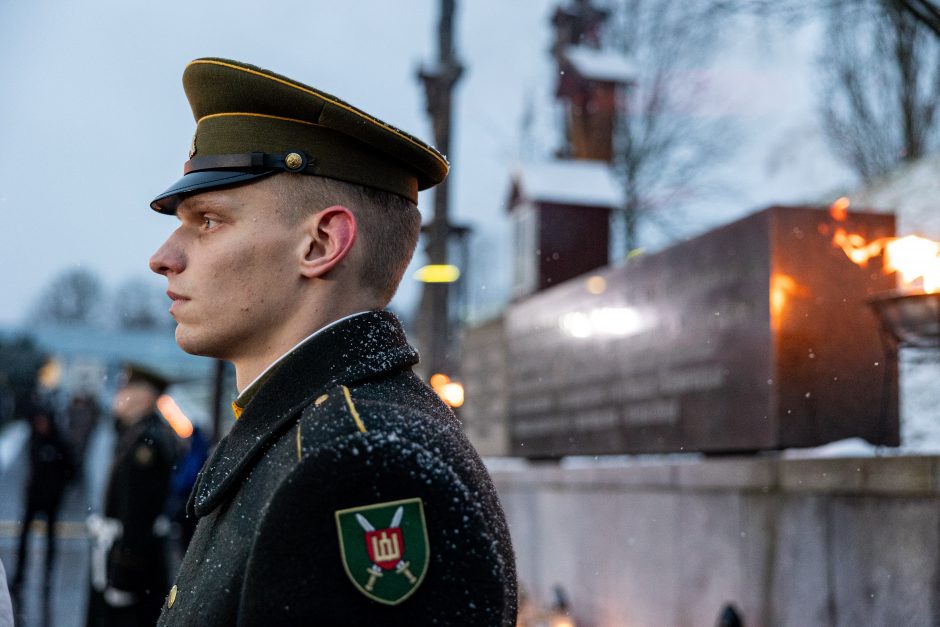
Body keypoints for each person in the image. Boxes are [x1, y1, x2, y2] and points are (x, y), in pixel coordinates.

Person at [147, 57, 517, 625]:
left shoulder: (363, 470)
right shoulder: (314, 435)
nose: (163, 258)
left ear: (321, 243)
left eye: (209, 220)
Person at [86, 365, 176, 627]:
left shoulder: (144, 442)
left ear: (145, 397)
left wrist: (124, 572)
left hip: (136, 565)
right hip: (127, 553)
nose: (119, 394)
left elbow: (137, 514)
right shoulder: (135, 433)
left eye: (127, 389)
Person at [11, 401, 74, 594]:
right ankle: (20, 576)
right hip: (34, 496)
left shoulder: (59, 442)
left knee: (50, 539)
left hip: (51, 498)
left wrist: (58, 488)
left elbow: (71, 471)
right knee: (24, 537)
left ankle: (47, 577)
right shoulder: (35, 439)